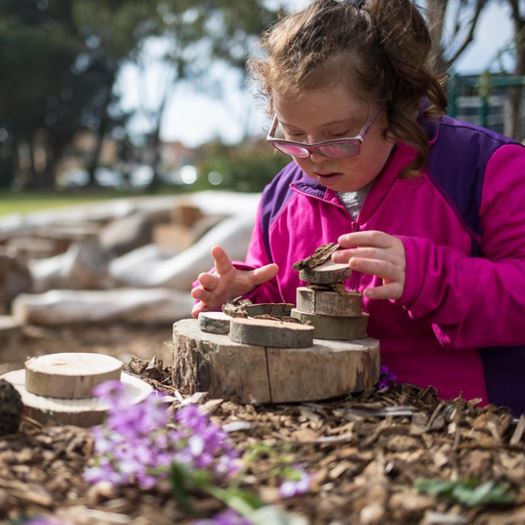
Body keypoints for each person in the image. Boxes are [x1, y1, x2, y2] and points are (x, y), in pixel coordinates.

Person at [191, 0, 525, 416]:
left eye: (338, 135)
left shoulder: (486, 168)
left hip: (469, 422)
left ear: (398, 105)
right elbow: (281, 298)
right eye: (293, 135)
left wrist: (432, 277)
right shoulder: (282, 199)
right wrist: (243, 296)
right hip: (332, 420)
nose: (314, 157)